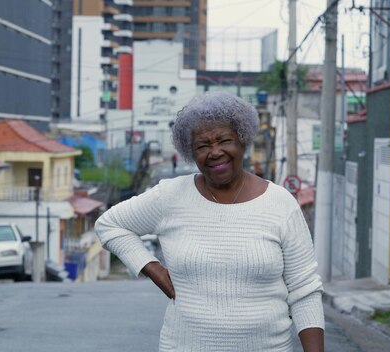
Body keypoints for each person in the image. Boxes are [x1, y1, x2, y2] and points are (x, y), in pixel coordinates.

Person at [95, 91, 325, 352]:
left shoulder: (281, 203)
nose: (215, 152)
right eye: (202, 146)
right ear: (190, 152)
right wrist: (152, 268)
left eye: (224, 140)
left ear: (242, 140)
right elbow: (109, 224)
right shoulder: (170, 196)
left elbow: (305, 290)